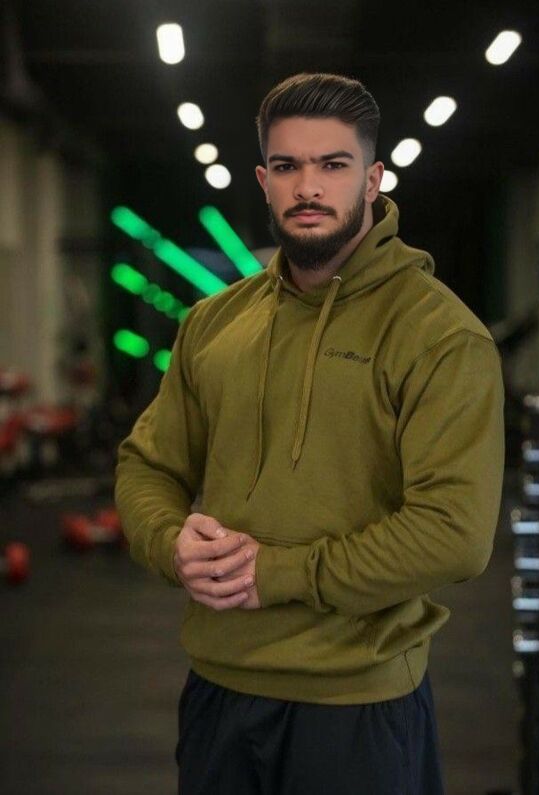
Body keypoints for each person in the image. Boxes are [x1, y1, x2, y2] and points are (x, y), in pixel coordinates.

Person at [115, 72, 505, 795]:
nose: (309, 186)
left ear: (373, 178)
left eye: (333, 164)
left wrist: (275, 574)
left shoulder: (439, 334)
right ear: (264, 182)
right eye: (288, 166)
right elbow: (148, 465)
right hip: (218, 689)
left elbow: (455, 533)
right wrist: (169, 542)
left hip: (358, 702)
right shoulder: (213, 322)